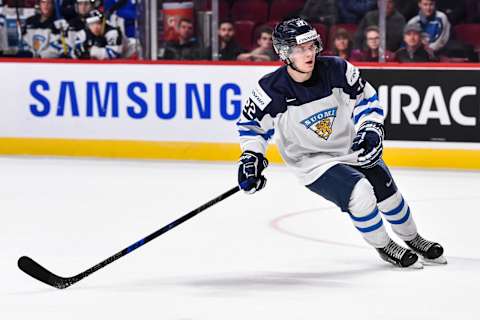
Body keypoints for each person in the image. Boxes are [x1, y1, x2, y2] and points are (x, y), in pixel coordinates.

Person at [236, 18, 446, 268]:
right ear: (285, 53)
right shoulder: (271, 89)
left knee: (389, 195)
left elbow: (365, 99)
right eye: (300, 49)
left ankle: (413, 238)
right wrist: (251, 157)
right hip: (312, 161)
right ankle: (384, 246)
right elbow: (251, 126)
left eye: (311, 46)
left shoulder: (337, 69)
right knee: (361, 193)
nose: (308, 53)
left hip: (350, 148)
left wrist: (370, 128)